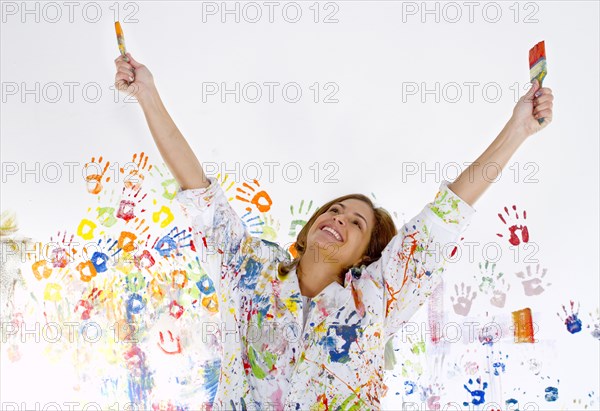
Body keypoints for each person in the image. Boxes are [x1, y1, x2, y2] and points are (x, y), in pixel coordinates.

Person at [114, 52, 554, 410]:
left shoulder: (380, 299)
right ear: (308, 231)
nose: (339, 218)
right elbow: (200, 193)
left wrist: (518, 130)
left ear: (366, 255)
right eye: (335, 211)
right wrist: (147, 93)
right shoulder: (247, 273)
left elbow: (444, 217)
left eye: (355, 223)